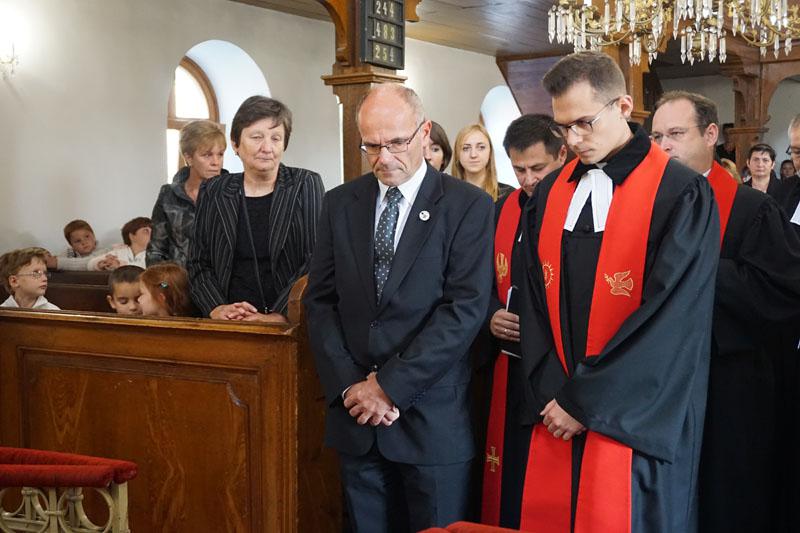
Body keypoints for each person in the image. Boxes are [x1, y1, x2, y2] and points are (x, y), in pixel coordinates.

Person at [512, 51, 718, 532]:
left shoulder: (680, 193)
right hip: (557, 409)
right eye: (563, 127)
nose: (573, 140)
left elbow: (671, 318)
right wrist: (556, 395)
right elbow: (535, 304)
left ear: (624, 107)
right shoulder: (550, 193)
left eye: (584, 123)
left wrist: (585, 401)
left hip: (634, 416)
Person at [303, 83, 494, 532]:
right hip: (357, 420)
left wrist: (388, 387)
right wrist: (351, 388)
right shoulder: (340, 203)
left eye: (395, 142)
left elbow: (463, 309)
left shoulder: (468, 206)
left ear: (424, 133)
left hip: (431, 420)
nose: (384, 157)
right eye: (372, 145)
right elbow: (320, 301)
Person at [651, 90, 800, 533]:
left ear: (711, 134)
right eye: (656, 136)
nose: (664, 146)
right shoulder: (643, 203)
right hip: (660, 380)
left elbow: (780, 293)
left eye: (676, 133)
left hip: (731, 380)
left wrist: (698, 267)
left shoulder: (753, 208)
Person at [480, 113, 566, 526]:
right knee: (511, 467)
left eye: (537, 168)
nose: (528, 180)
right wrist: (490, 314)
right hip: (509, 362)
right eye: (519, 170)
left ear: (562, 155)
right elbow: (476, 280)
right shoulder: (503, 209)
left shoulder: (577, 208)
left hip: (558, 366)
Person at [188, 96, 324, 323]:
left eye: (276, 138)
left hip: (288, 323)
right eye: (256, 137)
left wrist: (279, 315)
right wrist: (217, 308)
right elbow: (198, 262)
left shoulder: (305, 183)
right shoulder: (214, 190)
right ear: (235, 144)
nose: (267, 148)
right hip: (227, 320)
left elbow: (316, 258)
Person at [147, 120, 227, 267]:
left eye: (220, 154)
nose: (216, 162)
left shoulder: (232, 194)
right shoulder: (168, 195)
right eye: (207, 155)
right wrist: (165, 282)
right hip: (177, 280)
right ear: (189, 157)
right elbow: (156, 251)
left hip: (222, 280)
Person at [452, 123, 514, 201]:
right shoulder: (446, 196)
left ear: (490, 152)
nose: (473, 155)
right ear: (457, 154)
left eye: (481, 147)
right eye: (466, 148)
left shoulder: (509, 196)